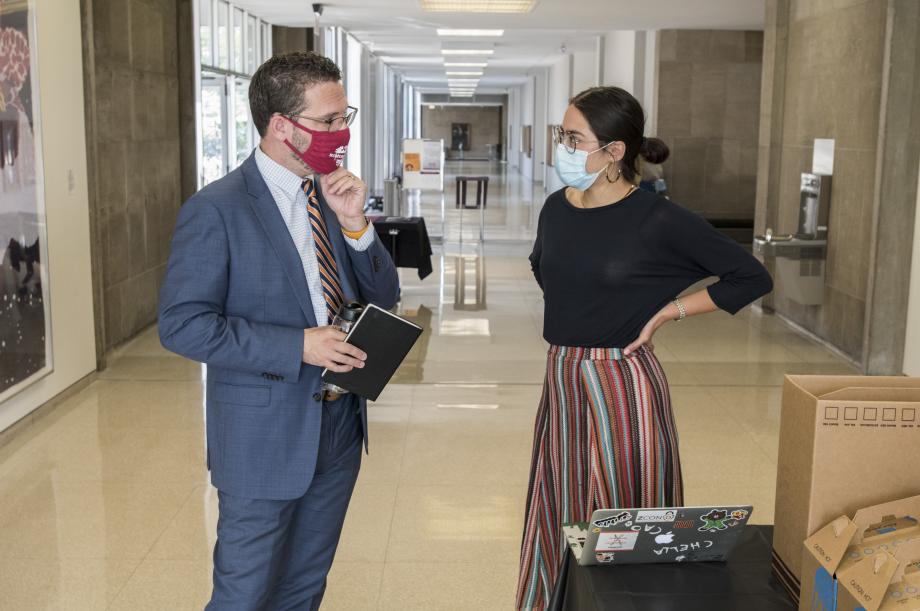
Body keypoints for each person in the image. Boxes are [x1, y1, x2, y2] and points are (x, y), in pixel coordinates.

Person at [158, 51, 400, 610]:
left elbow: (383, 298)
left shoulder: (329, 195)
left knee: (304, 586)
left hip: (338, 425)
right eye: (329, 120)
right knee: (243, 594)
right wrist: (297, 344)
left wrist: (357, 226)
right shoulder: (216, 209)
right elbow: (181, 325)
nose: (342, 133)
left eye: (346, 116)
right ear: (281, 126)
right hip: (263, 437)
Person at [516, 86, 772, 609]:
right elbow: (548, 272)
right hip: (563, 376)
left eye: (573, 138)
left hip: (624, 381)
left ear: (614, 152)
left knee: (629, 512)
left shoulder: (658, 218)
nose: (561, 147)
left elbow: (751, 276)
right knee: (560, 505)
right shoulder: (554, 209)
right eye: (561, 134)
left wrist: (667, 311)